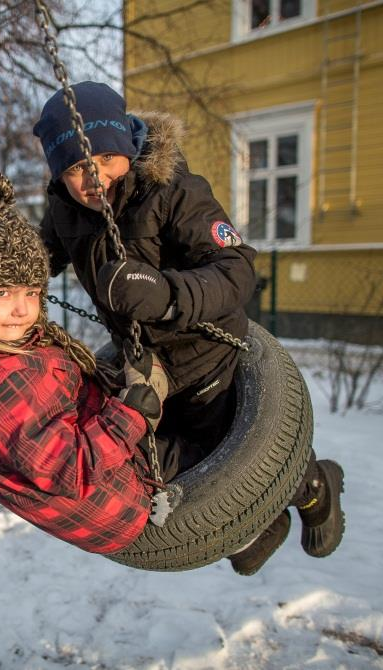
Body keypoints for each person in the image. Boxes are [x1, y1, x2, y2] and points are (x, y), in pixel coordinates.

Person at [32, 81, 344, 574]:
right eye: (75, 168)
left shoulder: (173, 189)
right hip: (146, 366)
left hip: (206, 353)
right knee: (188, 465)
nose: (95, 179)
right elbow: (33, 262)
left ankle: (315, 488)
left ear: (128, 150)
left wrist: (166, 294)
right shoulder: (66, 212)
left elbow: (238, 268)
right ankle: (261, 524)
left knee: (243, 452)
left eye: (105, 159)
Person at [0, 173, 178, 556]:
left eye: (32, 292)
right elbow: (68, 469)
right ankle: (254, 531)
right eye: (3, 292)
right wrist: (130, 414)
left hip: (108, 484)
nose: (23, 308)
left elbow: (59, 393)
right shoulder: (2, 387)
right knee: (210, 434)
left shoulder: (0, 351)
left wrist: (114, 383)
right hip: (121, 505)